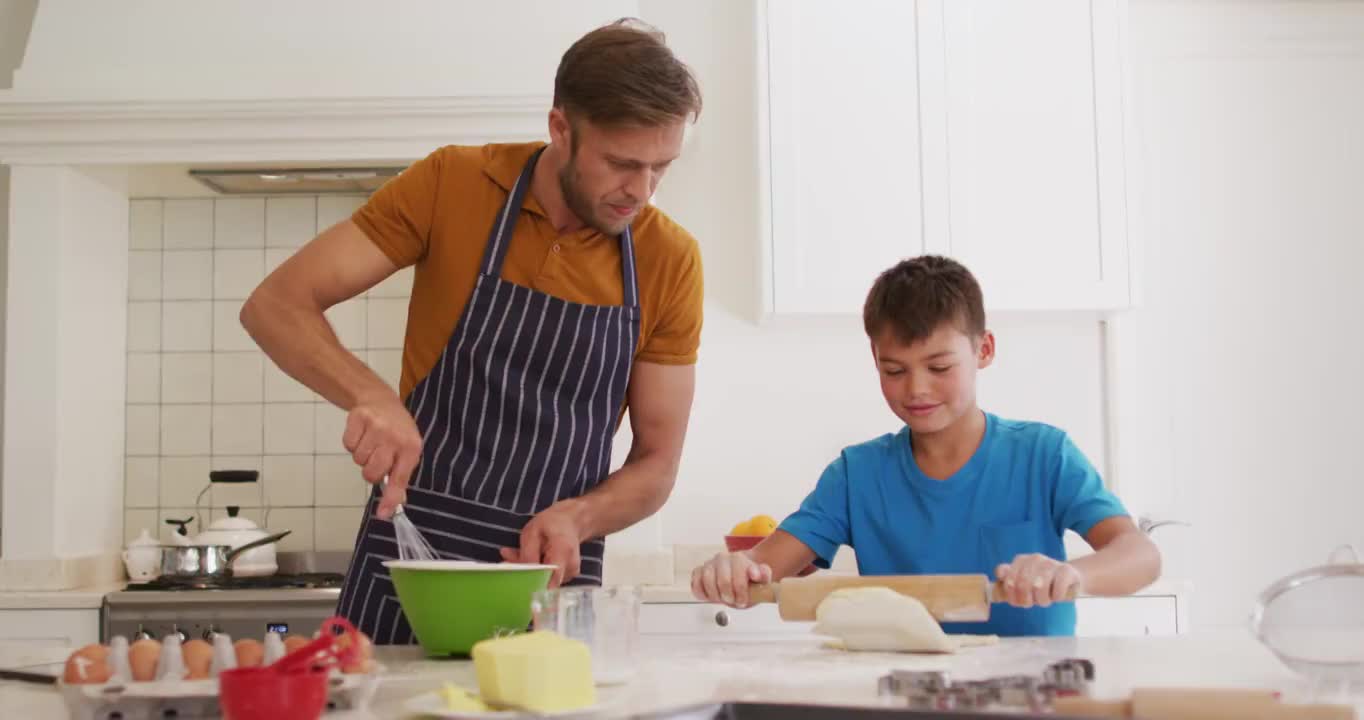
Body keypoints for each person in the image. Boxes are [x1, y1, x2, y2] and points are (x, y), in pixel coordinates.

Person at [241, 18, 704, 643]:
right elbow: (276, 304)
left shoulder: (669, 259)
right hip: (408, 572)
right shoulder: (454, 184)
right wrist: (372, 397)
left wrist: (579, 516)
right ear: (560, 127)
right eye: (622, 164)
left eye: (660, 168)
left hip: (549, 584)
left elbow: (657, 463)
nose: (641, 192)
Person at [690, 256, 1161, 636]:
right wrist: (735, 569)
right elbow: (766, 566)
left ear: (984, 350)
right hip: (901, 694)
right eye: (894, 370)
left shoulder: (1044, 455)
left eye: (938, 367)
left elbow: (1140, 554)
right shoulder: (857, 474)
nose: (916, 389)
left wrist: (1076, 575)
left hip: (1035, 694)